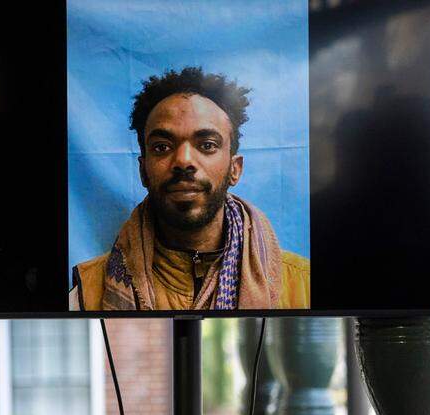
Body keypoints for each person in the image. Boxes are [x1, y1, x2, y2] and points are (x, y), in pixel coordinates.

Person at [70, 67, 310, 310]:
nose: (184, 161)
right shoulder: (88, 293)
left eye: (207, 145)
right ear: (143, 171)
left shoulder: (304, 285)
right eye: (162, 147)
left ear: (235, 169)